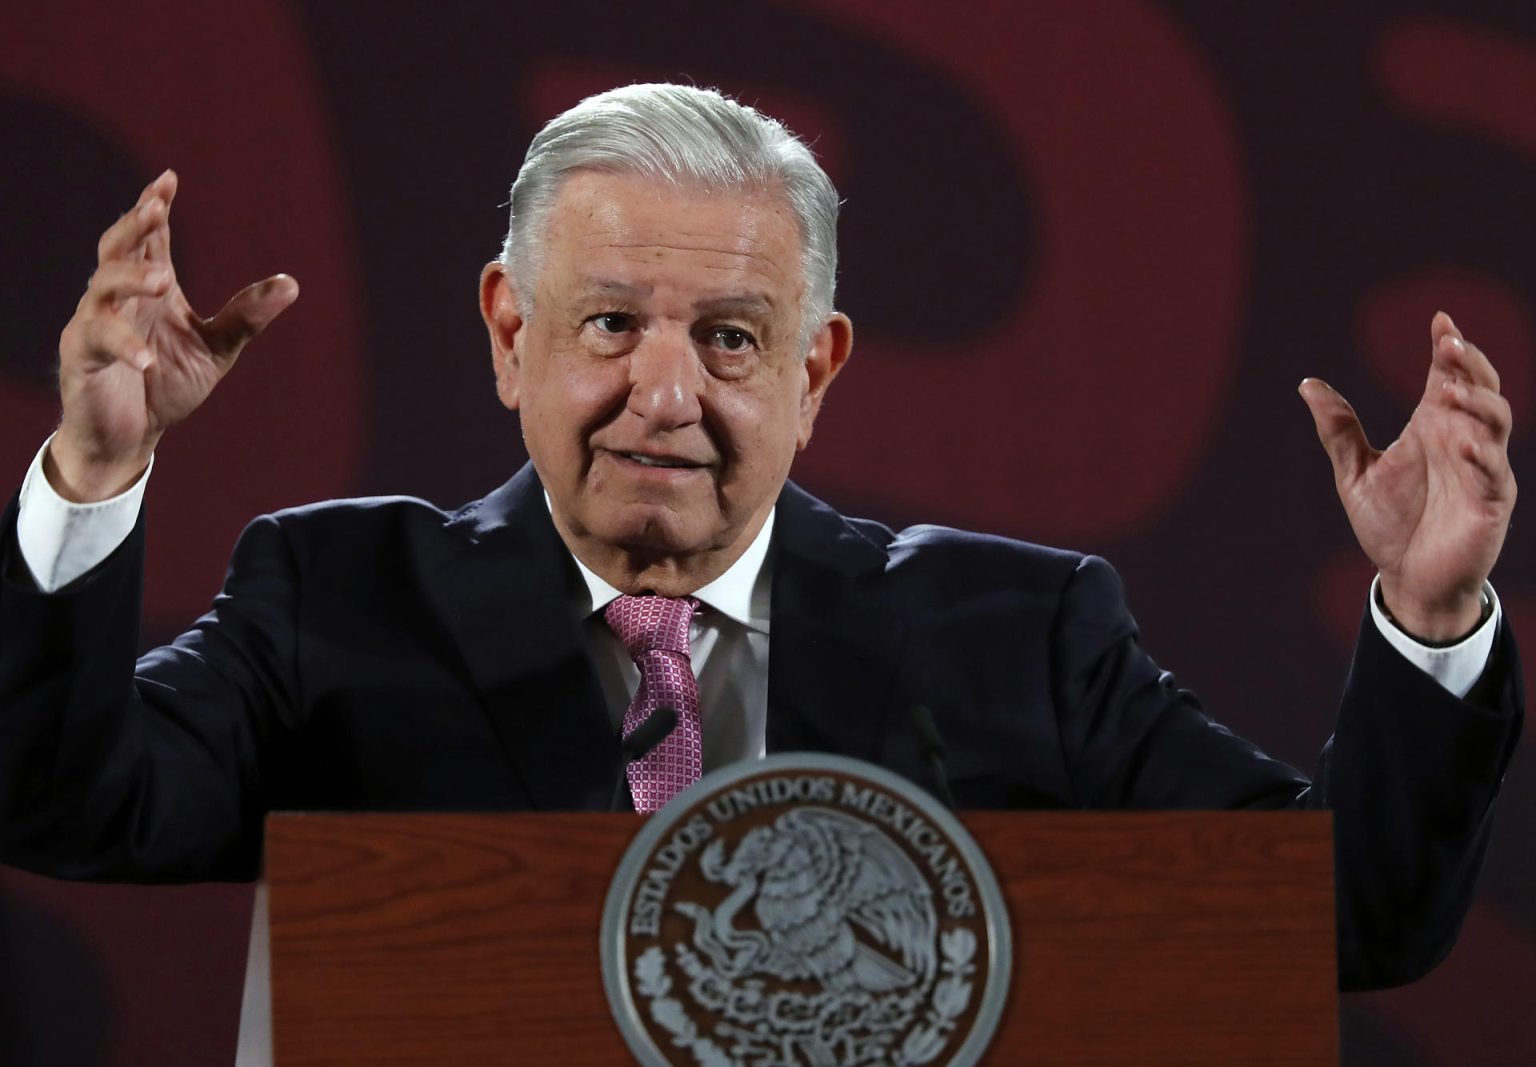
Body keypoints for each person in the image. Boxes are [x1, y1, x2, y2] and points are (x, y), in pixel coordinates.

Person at [0, 84, 1520, 992]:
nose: (666, 395)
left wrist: (1433, 622)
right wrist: (92, 474)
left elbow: (1341, 923)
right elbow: (68, 809)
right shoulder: (336, 600)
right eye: (609, 325)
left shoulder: (1020, 636)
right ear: (506, 332)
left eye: (732, 339)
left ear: (818, 371)